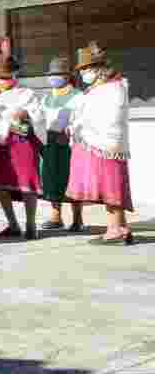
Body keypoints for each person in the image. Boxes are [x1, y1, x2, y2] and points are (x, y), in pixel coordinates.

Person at [0, 38, 45, 240]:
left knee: (27, 183)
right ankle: (12, 223)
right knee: (1, 185)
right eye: (1, 77)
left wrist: (26, 114)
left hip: (22, 141)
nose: (5, 80)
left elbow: (38, 115)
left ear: (14, 75)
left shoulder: (26, 93)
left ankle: (31, 224)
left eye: (8, 76)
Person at [65, 42, 134, 245]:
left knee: (111, 183)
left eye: (86, 68)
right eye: (82, 69)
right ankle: (121, 227)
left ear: (99, 67)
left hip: (105, 144)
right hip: (97, 142)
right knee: (107, 183)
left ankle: (115, 229)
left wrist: (83, 124)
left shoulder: (113, 88)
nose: (83, 73)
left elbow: (110, 117)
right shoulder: (97, 89)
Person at [40, 57, 84, 232]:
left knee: (72, 180)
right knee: (50, 180)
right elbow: (40, 119)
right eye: (52, 74)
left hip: (69, 145)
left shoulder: (79, 96)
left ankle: (77, 219)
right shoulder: (46, 97)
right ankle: (56, 216)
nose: (54, 77)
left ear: (67, 76)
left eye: (57, 74)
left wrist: (70, 130)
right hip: (49, 144)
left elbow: (83, 120)